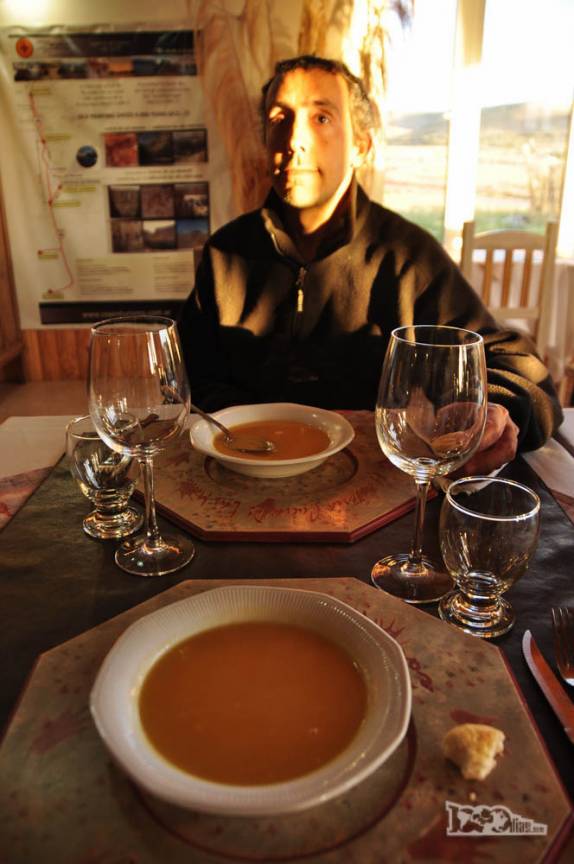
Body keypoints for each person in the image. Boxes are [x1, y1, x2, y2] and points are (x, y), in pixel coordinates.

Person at [178, 55, 563, 475]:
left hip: (373, 499)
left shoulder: (406, 257)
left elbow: (526, 376)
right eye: (279, 119)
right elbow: (185, 381)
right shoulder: (224, 254)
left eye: (321, 118)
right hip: (239, 485)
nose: (295, 140)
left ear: (361, 145)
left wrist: (498, 410)